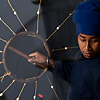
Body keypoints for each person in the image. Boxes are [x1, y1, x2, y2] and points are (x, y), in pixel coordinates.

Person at [28, 0, 100, 99]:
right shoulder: (81, 56)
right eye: (82, 40)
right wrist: (48, 62)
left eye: (94, 41)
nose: (87, 47)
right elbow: (76, 74)